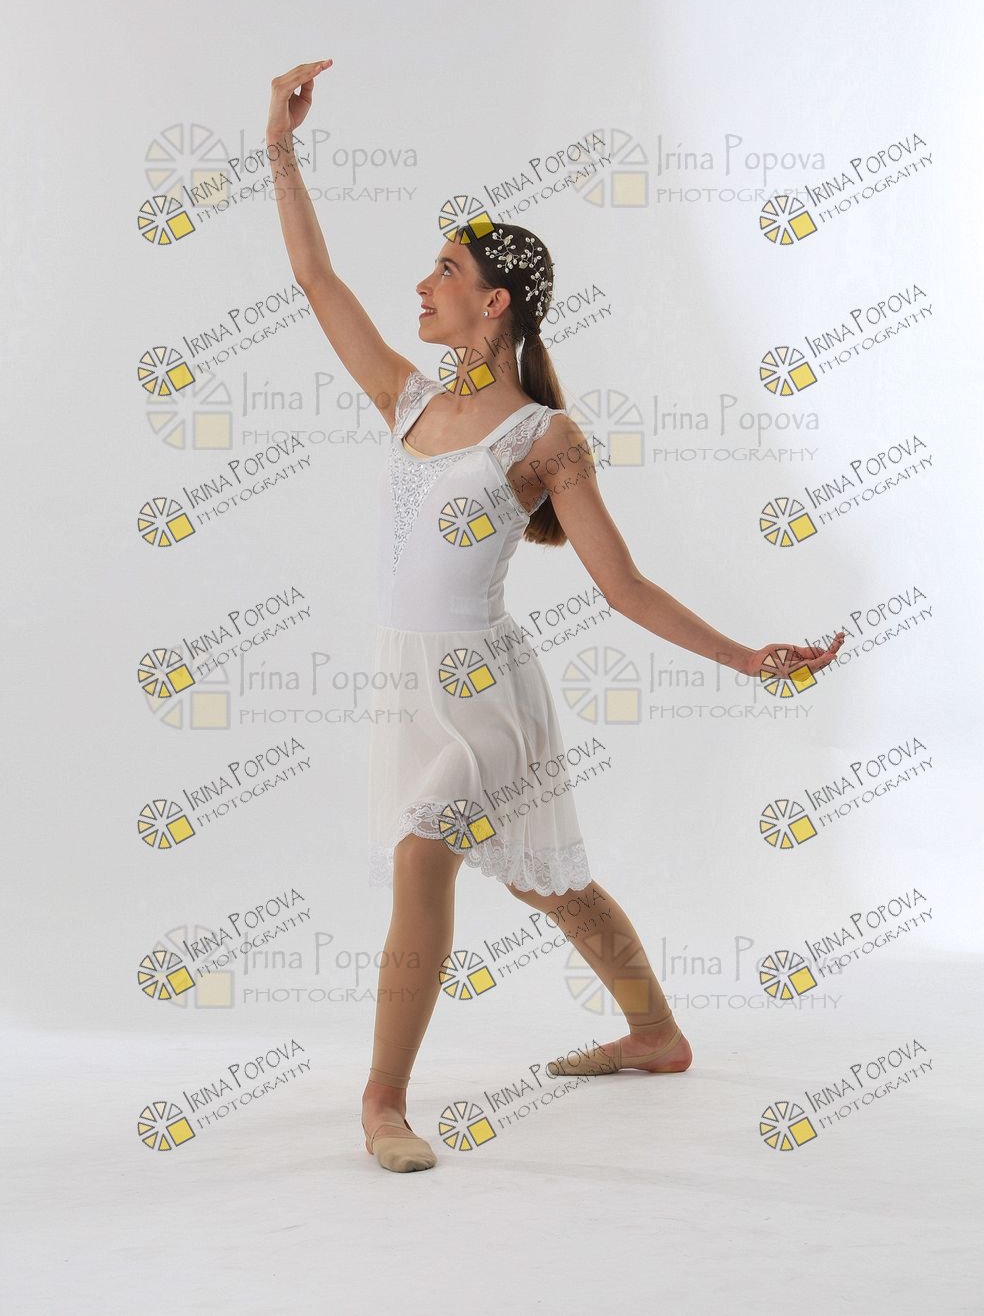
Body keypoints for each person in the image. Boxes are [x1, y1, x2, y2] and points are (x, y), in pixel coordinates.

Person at [266, 60, 845, 1174]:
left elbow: (622, 585)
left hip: (481, 689)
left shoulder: (543, 436)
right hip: (406, 682)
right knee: (553, 883)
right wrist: (281, 149)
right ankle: (656, 1034)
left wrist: (745, 659)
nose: (422, 283)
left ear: (495, 302)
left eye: (445, 269)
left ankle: (383, 1104)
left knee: (423, 856)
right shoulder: (406, 397)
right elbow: (313, 276)